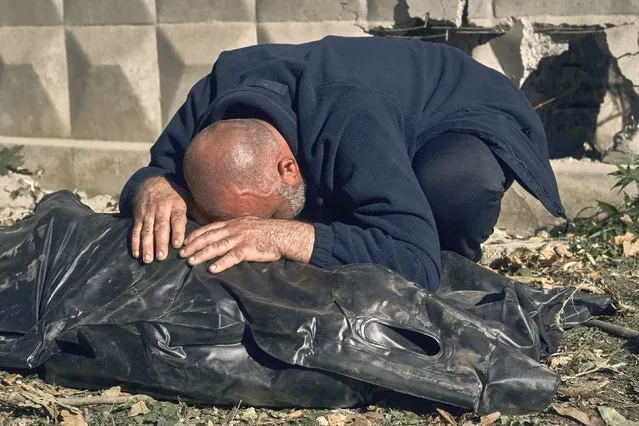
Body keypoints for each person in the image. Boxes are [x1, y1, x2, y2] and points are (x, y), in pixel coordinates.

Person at [119, 36, 565, 292]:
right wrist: (154, 185)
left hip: (463, 107)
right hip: (369, 102)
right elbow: (158, 169)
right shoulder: (209, 100)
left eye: (264, 213)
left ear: (288, 168)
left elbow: (414, 258)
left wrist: (281, 234)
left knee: (456, 184)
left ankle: (456, 253)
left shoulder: (352, 124)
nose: (241, 233)